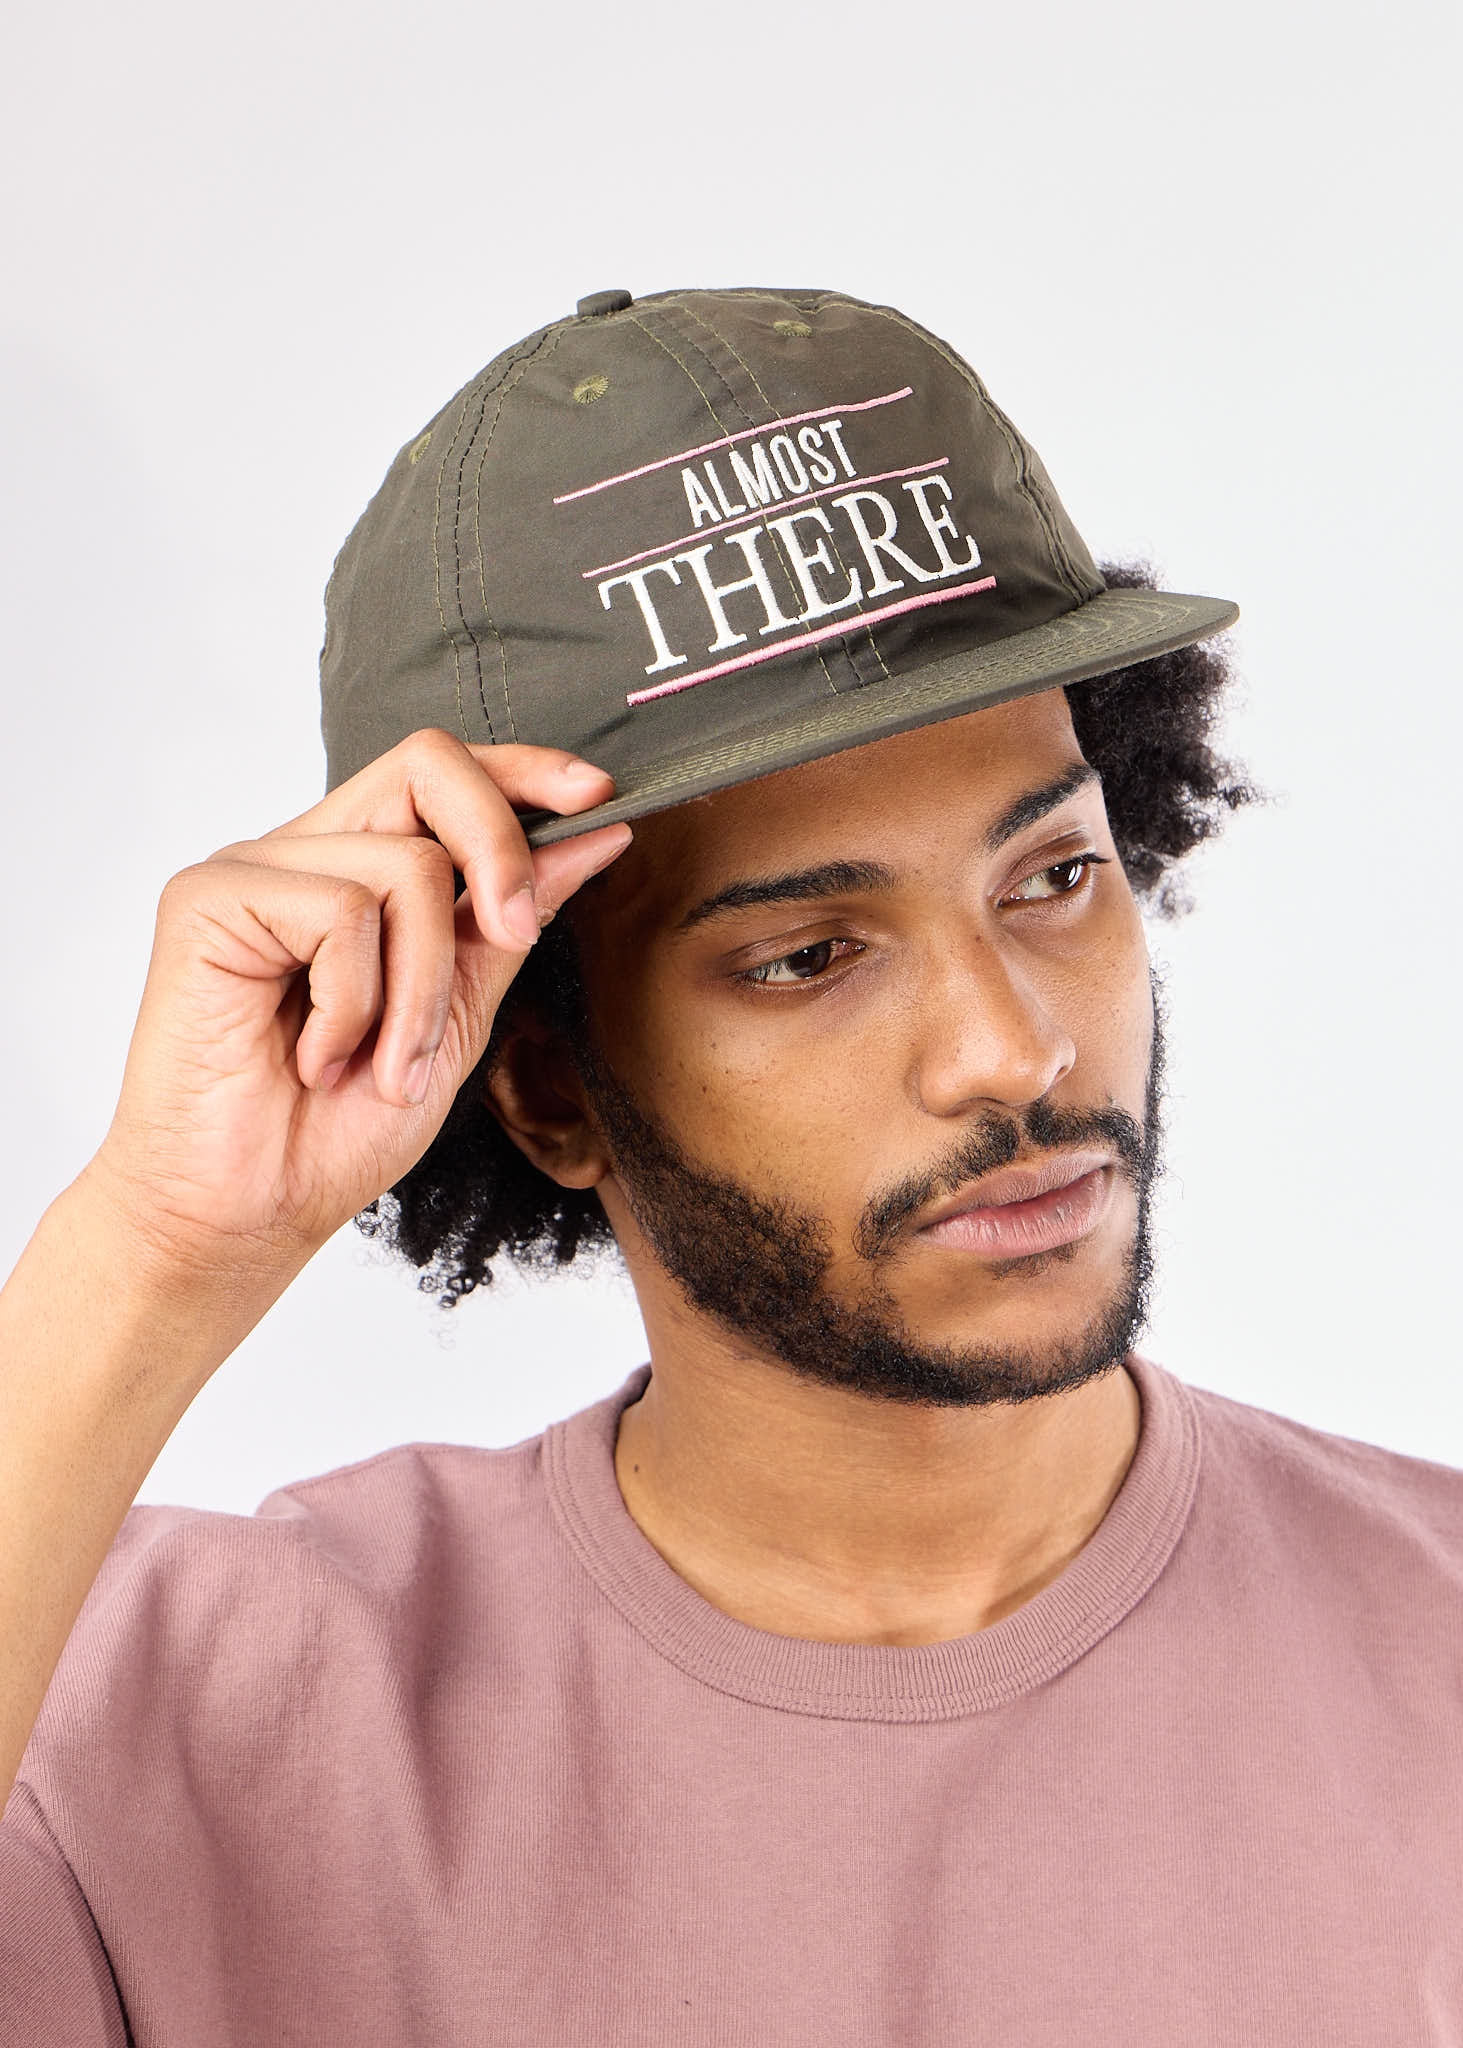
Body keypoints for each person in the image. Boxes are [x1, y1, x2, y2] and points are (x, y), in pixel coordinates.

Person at [1, 285, 1458, 2042]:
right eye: (808, 955)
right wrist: (155, 1244)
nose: (1012, 1052)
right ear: (545, 1081)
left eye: (1055, 878)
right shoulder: (164, 1727)